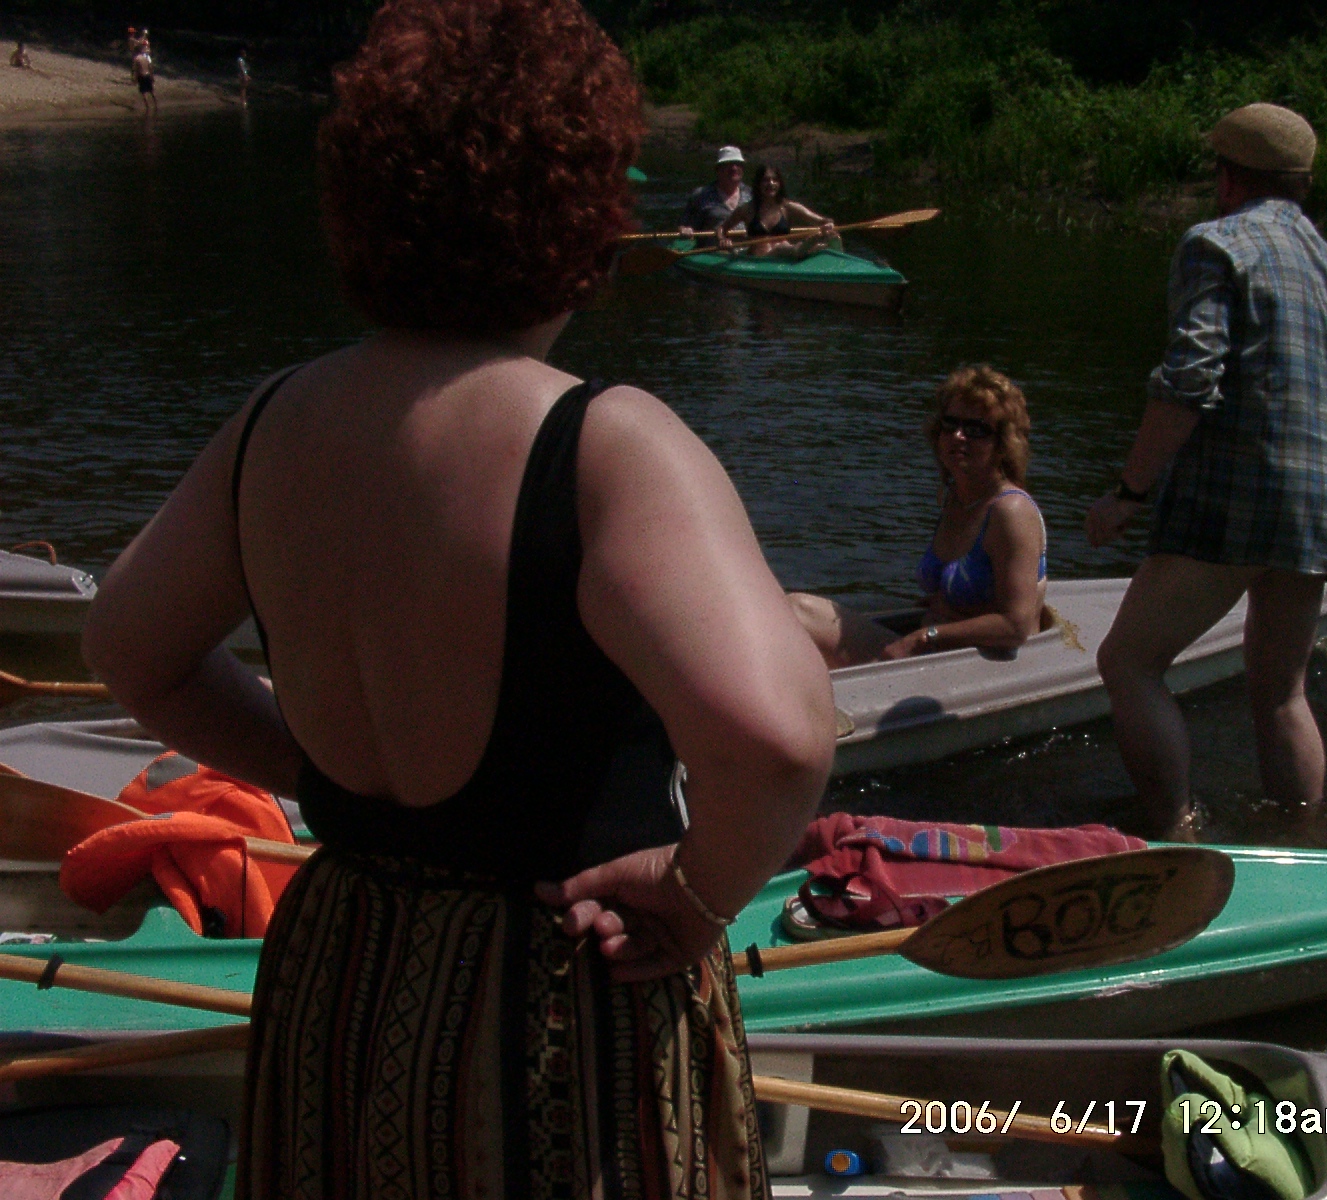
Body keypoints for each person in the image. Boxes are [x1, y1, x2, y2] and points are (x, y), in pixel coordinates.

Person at [81, 1, 835, 1196]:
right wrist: (698, 895)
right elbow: (777, 742)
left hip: (345, 972)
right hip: (553, 1001)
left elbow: (132, 650)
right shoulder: (604, 443)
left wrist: (313, 770)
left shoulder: (271, 424)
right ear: (584, 212)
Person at [1084, 102, 1327, 839]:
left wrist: (1129, 492)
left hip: (1235, 497)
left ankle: (1176, 833)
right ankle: (1304, 843)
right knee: (1282, 690)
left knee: (1129, 663)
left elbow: (1191, 377)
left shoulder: (1216, 244)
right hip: (1326, 509)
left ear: (1228, 177)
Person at [789, 365, 1047, 666]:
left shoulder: (1011, 511)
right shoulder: (957, 497)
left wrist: (925, 636)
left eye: (976, 429)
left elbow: (1016, 625)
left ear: (1003, 443)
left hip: (980, 665)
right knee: (791, 610)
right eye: (950, 424)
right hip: (939, 653)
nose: (958, 436)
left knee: (799, 613)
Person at [717, 163, 838, 257]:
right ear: (758, 184)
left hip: (785, 257)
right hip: (760, 260)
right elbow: (721, 229)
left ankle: (815, 247)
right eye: (766, 180)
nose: (771, 183)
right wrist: (723, 240)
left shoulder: (788, 206)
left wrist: (828, 224)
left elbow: (823, 220)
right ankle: (807, 246)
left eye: (775, 180)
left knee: (783, 247)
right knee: (782, 249)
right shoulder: (746, 209)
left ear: (780, 184)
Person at [677, 144, 751, 240]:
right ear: (718, 170)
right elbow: (683, 224)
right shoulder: (701, 195)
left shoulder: (752, 195)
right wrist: (685, 230)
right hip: (713, 248)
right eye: (728, 164)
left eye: (738, 164)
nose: (734, 168)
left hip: (746, 248)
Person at [132, 41, 155, 114]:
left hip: (141, 76)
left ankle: (148, 107)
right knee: (151, 91)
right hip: (148, 74)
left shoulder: (136, 59)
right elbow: (150, 67)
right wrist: (152, 76)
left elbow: (135, 70)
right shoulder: (145, 58)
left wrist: (134, 78)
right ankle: (156, 104)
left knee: (143, 92)